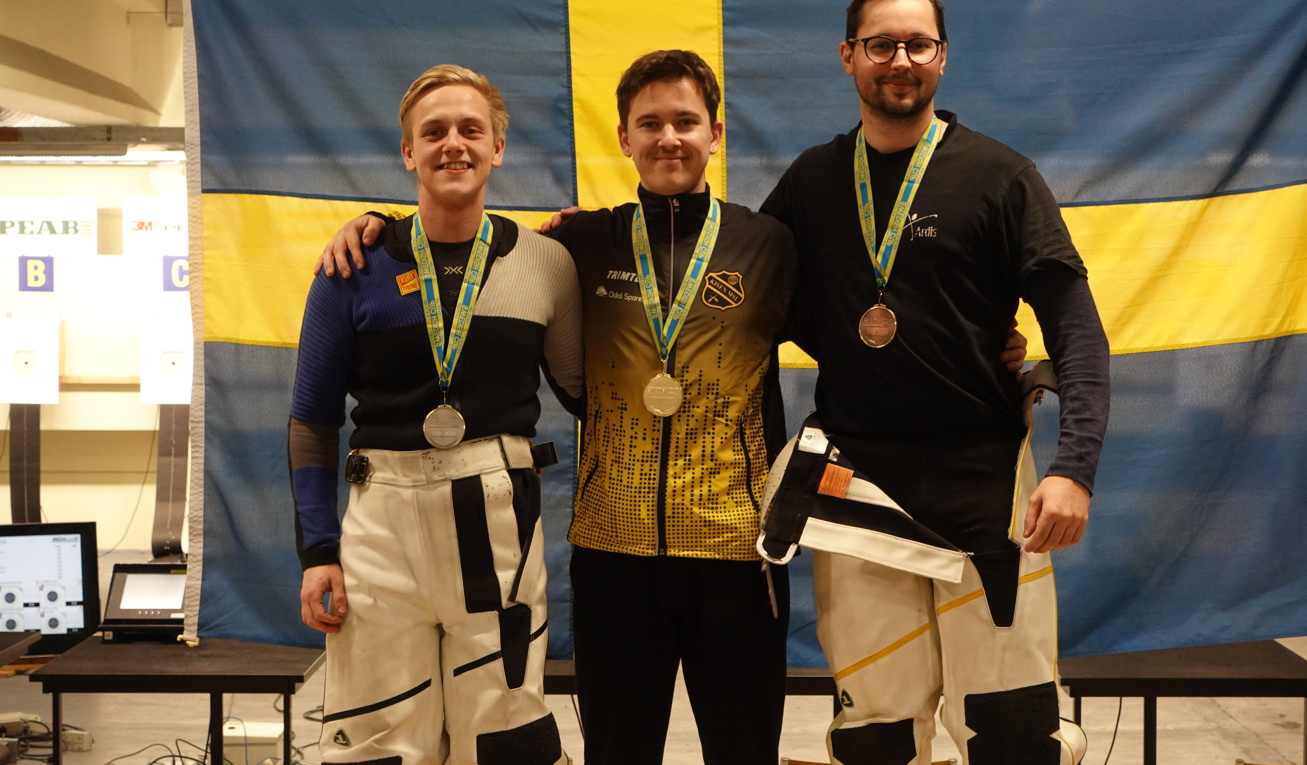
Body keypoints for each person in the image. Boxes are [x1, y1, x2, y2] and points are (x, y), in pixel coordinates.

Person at [317, 50, 1030, 765]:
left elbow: (862, 333)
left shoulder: (769, 244)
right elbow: (472, 254)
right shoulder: (577, 244)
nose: (668, 138)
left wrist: (983, 345)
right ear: (623, 137)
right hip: (613, 555)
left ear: (714, 134)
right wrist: (377, 225)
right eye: (650, 123)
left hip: (739, 553)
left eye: (685, 122)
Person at [757, 0, 1111, 763]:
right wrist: (592, 241)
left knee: (1016, 737)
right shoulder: (812, 181)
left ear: (943, 56)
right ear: (848, 55)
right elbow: (742, 289)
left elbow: (1078, 330)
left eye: (918, 45)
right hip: (856, 495)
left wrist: (1075, 467)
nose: (901, 61)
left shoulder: (1001, 176)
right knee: (876, 741)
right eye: (881, 44)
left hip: (985, 491)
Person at [288, 64, 580, 765]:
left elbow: (586, 394)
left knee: (506, 741)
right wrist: (318, 554)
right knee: (377, 747)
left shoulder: (548, 263)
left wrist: (596, 245)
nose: (454, 143)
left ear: (497, 148)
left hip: (499, 523)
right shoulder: (351, 266)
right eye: (434, 131)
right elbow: (311, 422)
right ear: (408, 152)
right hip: (380, 528)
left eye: (471, 130)